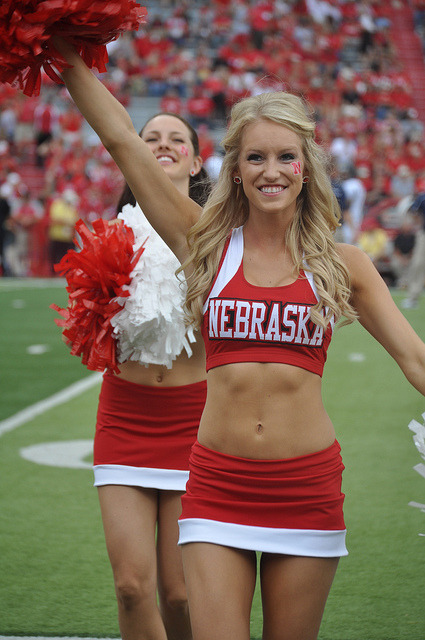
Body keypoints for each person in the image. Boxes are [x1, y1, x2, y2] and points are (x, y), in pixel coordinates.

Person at [55, 39, 425, 640]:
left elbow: (415, 360)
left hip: (305, 488)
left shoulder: (344, 264)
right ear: (235, 166)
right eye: (255, 158)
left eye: (285, 157)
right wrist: (62, 56)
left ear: (307, 165)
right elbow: (124, 140)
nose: (271, 172)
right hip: (216, 486)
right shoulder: (204, 244)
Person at [63, 111, 210, 640]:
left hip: (195, 423)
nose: (163, 145)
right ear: (134, 153)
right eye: (151, 139)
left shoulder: (216, 236)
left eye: (178, 140)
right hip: (125, 419)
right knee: (131, 587)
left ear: (196, 161)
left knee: (182, 592)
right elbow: (89, 330)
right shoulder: (108, 235)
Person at [402, 191, 425, 309]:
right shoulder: (422, 197)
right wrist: (417, 223)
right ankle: (412, 297)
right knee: (417, 264)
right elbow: (412, 211)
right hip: (424, 235)